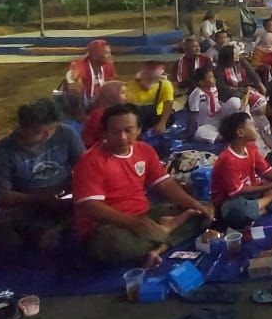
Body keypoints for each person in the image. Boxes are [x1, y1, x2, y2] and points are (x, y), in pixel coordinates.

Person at [72, 104, 212, 267]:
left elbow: (165, 184)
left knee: (202, 211)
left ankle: (158, 243)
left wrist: (195, 205)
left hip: (144, 214)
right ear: (105, 133)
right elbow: (92, 207)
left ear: (139, 130)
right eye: (115, 131)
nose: (122, 137)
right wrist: (133, 223)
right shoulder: (90, 161)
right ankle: (165, 236)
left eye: (128, 130)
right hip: (106, 226)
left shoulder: (144, 151)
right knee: (116, 244)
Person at [0, 99, 82, 251]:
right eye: (38, 132)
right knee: (7, 233)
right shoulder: (1, 153)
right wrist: (40, 198)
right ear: (21, 128)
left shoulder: (66, 134)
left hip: (64, 197)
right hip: (25, 203)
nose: (47, 136)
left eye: (51, 129)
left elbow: (85, 167)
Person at [211, 112, 272, 229]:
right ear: (240, 132)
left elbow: (267, 171)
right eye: (251, 125)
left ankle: (261, 207)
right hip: (231, 202)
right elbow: (238, 191)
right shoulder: (227, 159)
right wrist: (270, 189)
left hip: (253, 195)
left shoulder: (251, 148)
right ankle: (268, 201)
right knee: (238, 211)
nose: (255, 128)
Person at [187, 69, 242, 143]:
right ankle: (225, 136)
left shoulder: (214, 88)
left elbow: (217, 102)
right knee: (198, 133)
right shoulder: (196, 94)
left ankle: (232, 127)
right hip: (207, 124)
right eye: (211, 78)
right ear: (202, 82)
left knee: (235, 101)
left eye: (213, 77)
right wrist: (191, 131)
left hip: (220, 118)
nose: (214, 79)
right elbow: (193, 114)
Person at [126, 62, 174, 136]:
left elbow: (168, 103)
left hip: (157, 116)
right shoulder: (131, 85)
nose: (151, 71)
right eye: (149, 67)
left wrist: (162, 123)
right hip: (137, 116)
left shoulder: (165, 84)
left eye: (154, 68)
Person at [66, 40, 116, 105]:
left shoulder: (109, 65)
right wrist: (73, 83)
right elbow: (71, 75)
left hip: (103, 102)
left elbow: (112, 84)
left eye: (110, 53)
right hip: (85, 104)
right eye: (106, 53)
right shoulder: (80, 65)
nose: (110, 56)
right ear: (94, 55)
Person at [81, 81, 127, 148]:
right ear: (111, 95)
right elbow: (88, 140)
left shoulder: (124, 112)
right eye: (122, 93)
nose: (126, 97)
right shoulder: (99, 115)